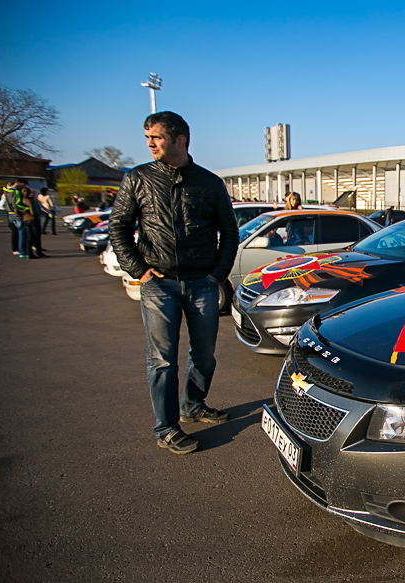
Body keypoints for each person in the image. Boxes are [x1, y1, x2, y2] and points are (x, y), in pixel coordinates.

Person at [109, 111, 241, 455]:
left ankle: (193, 405)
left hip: (201, 283)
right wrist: (138, 270)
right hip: (159, 283)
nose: (150, 144)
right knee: (163, 361)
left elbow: (229, 232)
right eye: (147, 138)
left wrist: (217, 274)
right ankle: (166, 427)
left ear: (181, 139)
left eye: (157, 137)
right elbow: (118, 227)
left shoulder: (209, 183)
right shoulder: (137, 179)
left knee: (206, 356)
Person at [1, 178, 28, 256]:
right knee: (22, 232)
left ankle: (15, 248)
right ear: (21, 183)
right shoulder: (16, 192)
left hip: (9, 213)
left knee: (14, 232)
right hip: (16, 213)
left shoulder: (6, 191)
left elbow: (3, 204)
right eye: (25, 185)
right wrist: (26, 209)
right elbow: (16, 204)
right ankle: (22, 250)